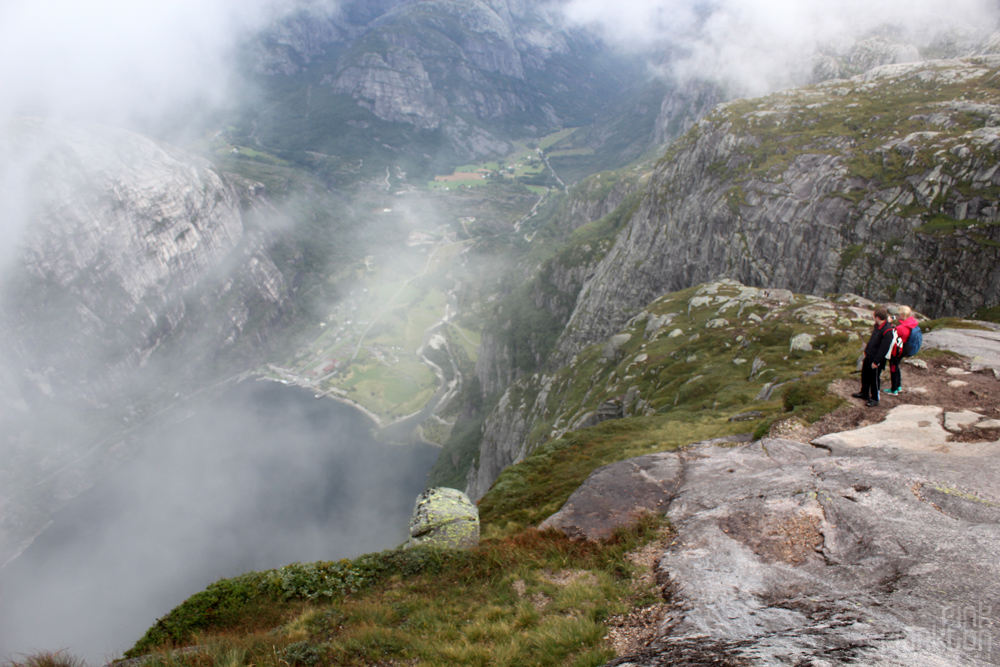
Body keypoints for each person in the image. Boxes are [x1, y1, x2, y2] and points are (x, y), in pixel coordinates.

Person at [852, 306, 895, 407]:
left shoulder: (887, 331)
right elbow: (873, 340)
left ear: (877, 317)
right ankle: (864, 393)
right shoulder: (878, 326)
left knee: (874, 379)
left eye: (874, 315)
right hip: (869, 355)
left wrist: (876, 362)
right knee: (865, 374)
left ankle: (875, 398)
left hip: (876, 359)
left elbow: (884, 348)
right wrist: (867, 351)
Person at [887, 305, 919, 395]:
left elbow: (891, 334)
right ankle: (898, 386)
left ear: (902, 314)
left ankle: (894, 390)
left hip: (897, 351)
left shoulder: (901, 328)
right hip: (905, 349)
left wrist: (889, 324)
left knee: (893, 367)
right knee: (897, 366)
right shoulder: (912, 323)